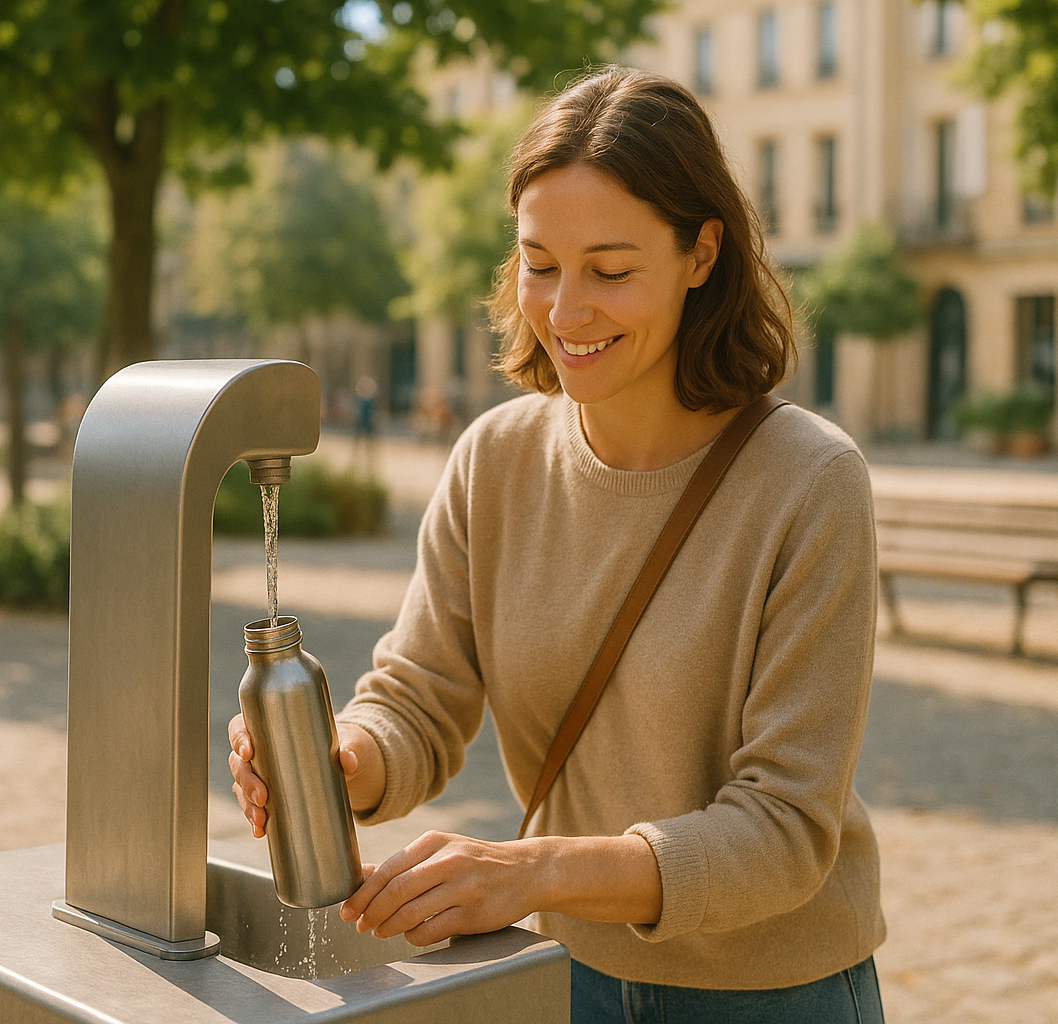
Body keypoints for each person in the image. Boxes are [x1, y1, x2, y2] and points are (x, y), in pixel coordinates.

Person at [229, 66, 885, 1023]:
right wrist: (340, 760)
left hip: (774, 994)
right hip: (562, 980)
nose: (566, 312)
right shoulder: (494, 459)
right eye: (540, 264)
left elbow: (786, 830)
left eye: (611, 272)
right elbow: (418, 697)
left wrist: (531, 872)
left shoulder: (810, 480)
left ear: (702, 254)